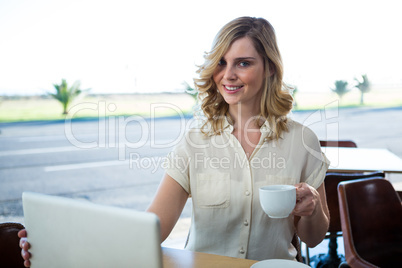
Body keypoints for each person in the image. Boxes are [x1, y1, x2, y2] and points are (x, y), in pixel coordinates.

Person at [19, 16, 330, 265]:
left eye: (243, 63)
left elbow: (314, 238)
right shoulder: (195, 141)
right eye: (221, 63)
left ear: (270, 69)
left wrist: (312, 209)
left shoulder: (303, 140)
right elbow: (153, 226)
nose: (228, 74)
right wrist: (60, 243)